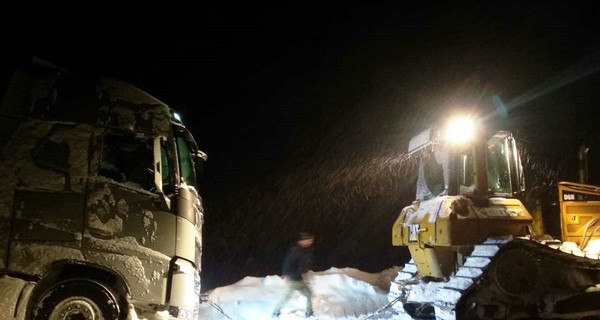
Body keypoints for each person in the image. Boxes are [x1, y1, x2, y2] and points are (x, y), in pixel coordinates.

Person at [272, 232, 315, 318]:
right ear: (303, 241)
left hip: (299, 279)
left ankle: (309, 312)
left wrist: (305, 273)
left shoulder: (304, 251)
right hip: (292, 279)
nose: (310, 242)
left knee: (308, 295)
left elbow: (303, 265)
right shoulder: (296, 251)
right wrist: (286, 275)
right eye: (308, 240)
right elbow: (287, 263)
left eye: (311, 240)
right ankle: (275, 312)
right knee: (285, 297)